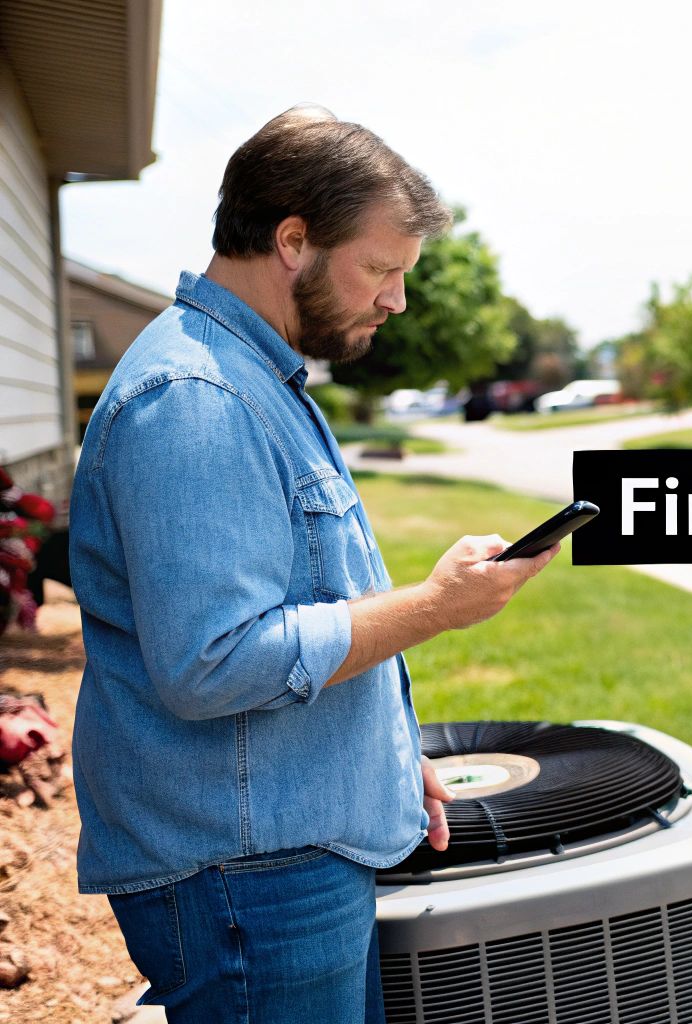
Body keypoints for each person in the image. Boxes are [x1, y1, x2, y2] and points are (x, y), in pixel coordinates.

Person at [68, 106, 558, 1023]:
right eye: (380, 269)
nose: (396, 300)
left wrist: (379, 755)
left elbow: (296, 604)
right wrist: (436, 607)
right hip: (250, 882)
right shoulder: (195, 399)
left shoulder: (258, 378)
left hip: (280, 862)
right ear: (293, 239)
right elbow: (213, 660)